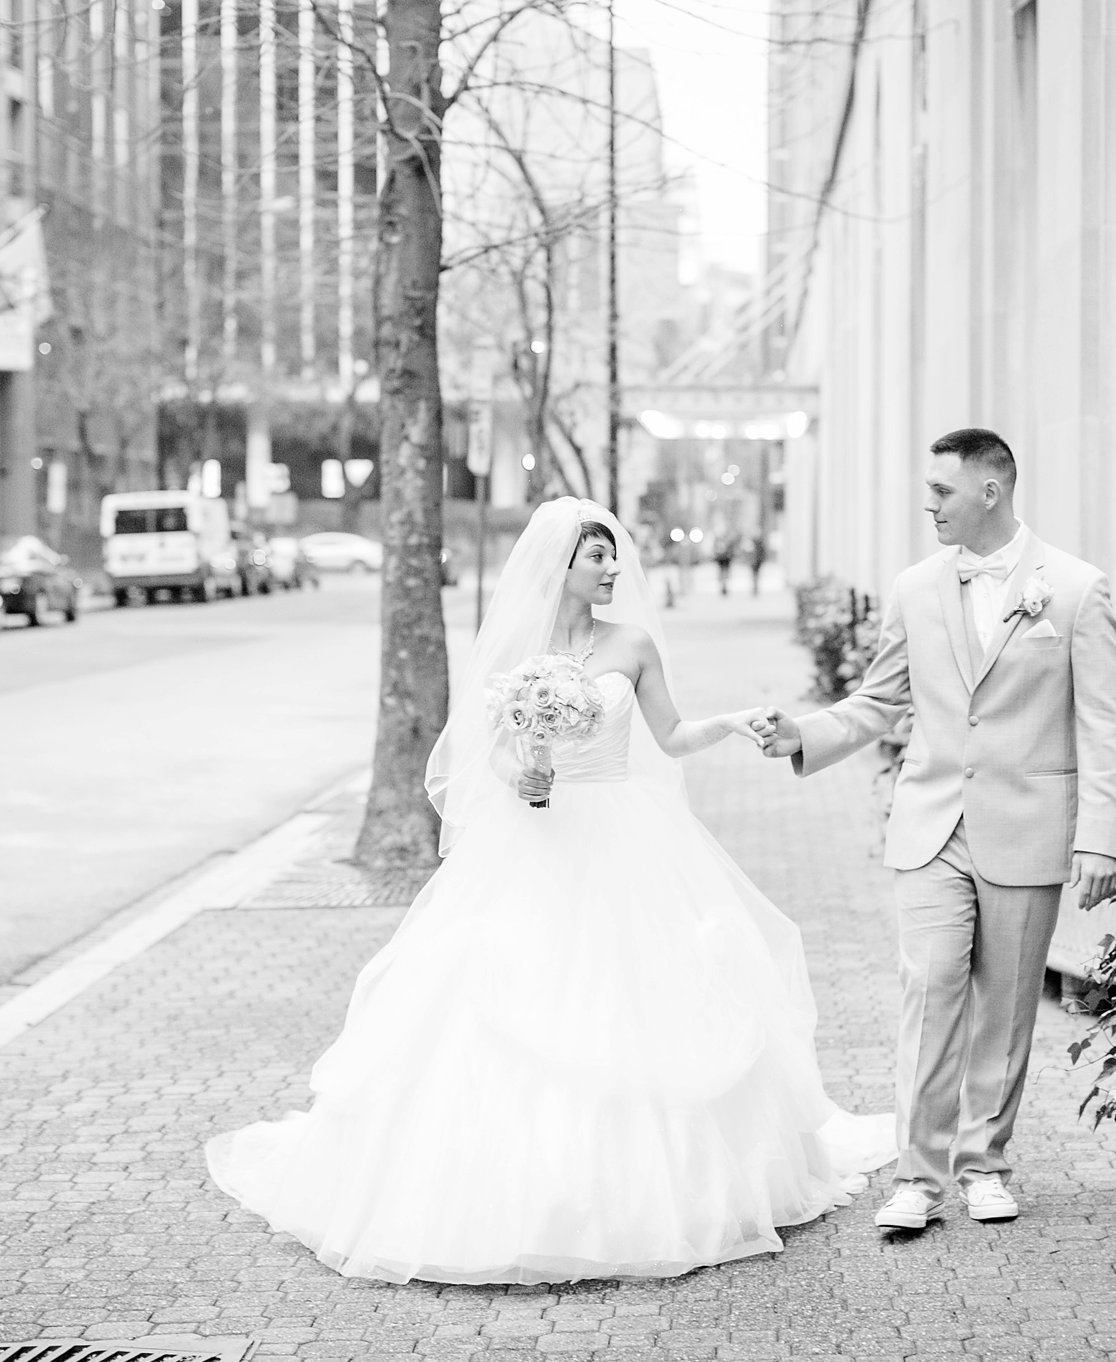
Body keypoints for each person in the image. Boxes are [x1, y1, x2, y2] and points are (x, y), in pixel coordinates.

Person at [207, 497, 894, 1285]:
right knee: (503, 1002)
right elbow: (491, 753)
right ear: (559, 567)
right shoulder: (519, 652)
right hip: (537, 838)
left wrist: (733, 722)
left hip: (625, 836)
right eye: (596, 556)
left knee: (635, 1000)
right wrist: (522, 776)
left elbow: (670, 736)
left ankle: (651, 1197)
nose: (611, 568)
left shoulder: (632, 644)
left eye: (611, 555)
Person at [753, 427, 1116, 1230]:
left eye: (942, 491)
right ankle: (918, 1177)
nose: (928, 503)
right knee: (929, 988)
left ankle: (984, 1163)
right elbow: (881, 699)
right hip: (931, 824)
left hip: (1028, 827)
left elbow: (1105, 724)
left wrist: (1100, 834)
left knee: (1008, 1005)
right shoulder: (916, 588)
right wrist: (805, 735)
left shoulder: (1074, 589)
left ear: (990, 491)